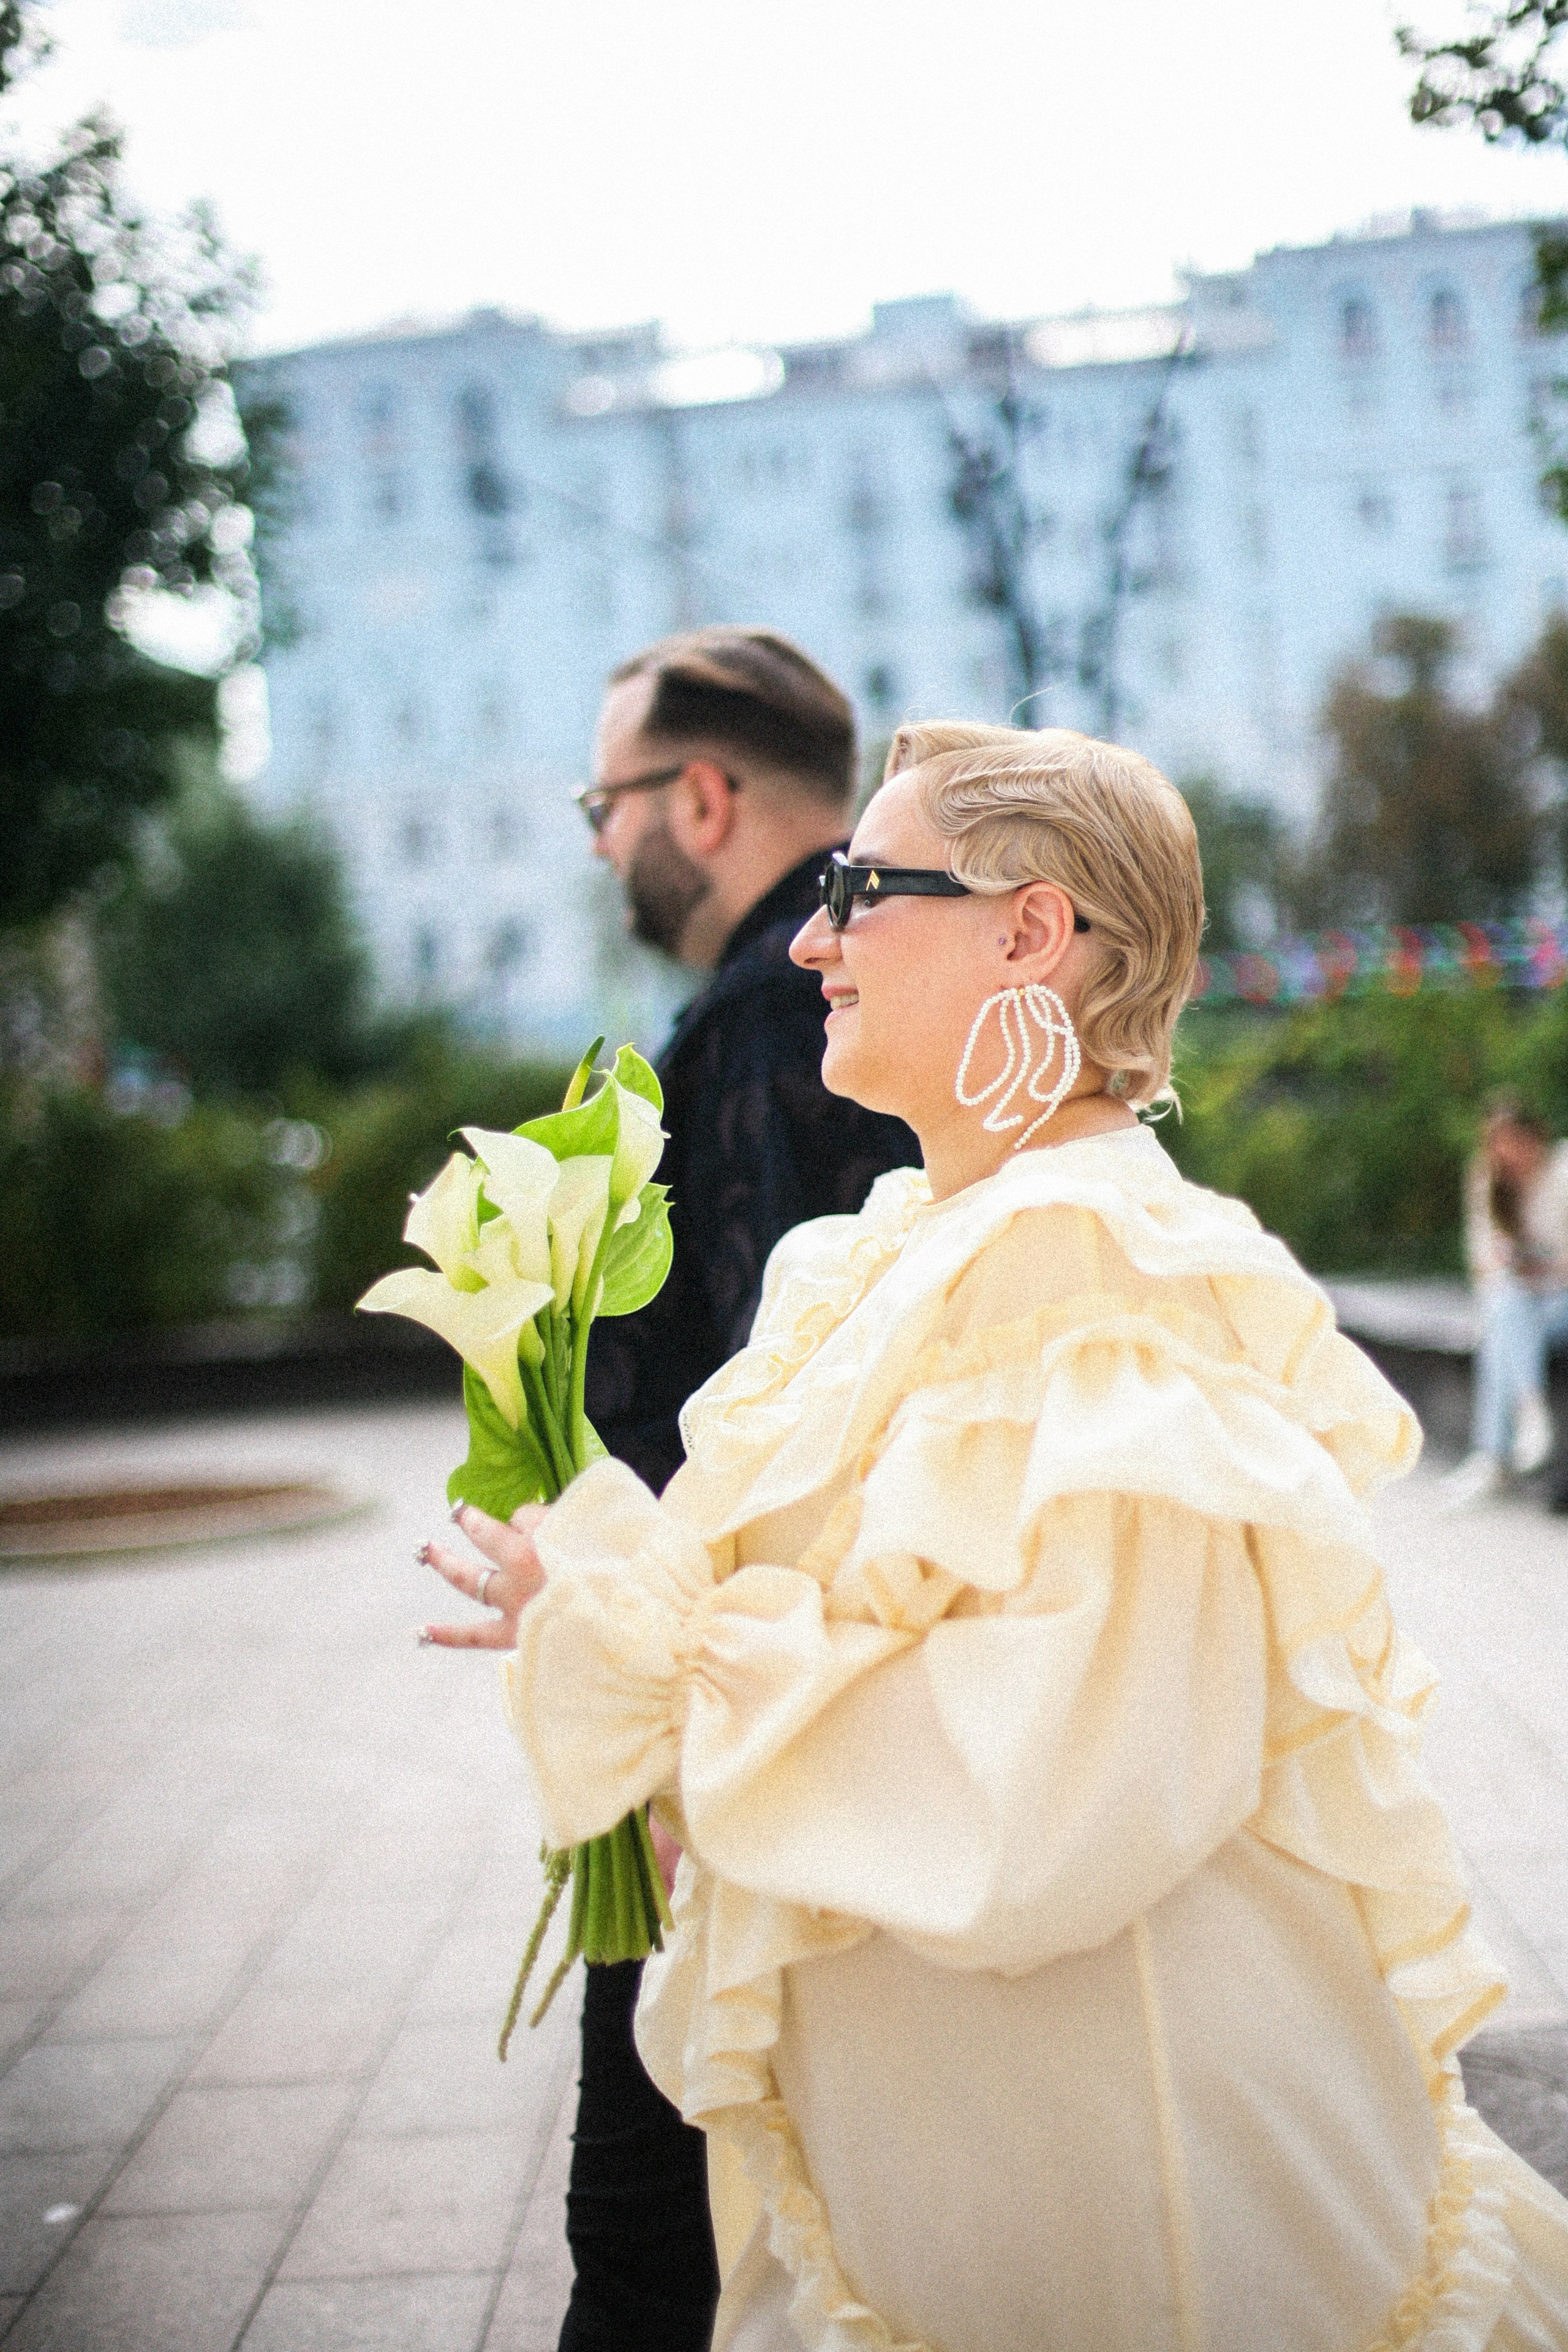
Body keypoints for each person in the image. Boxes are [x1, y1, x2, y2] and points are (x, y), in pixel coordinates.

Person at [428, 722, 1568, 2351]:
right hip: (963, 2157)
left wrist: (661, 1674)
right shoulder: (904, 1247)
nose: (811, 941)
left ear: (1031, 932)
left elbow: (1053, 1790)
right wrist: (614, 1631)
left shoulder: (1094, 1276)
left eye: (857, 891)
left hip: (1134, 2185)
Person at [429, 627, 914, 2352]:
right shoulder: (829, 999)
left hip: (718, 1716)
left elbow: (783, 1421)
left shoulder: (781, 1019)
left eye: (604, 802)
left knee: (642, 2242)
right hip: (741, 1699)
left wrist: (640, 1655)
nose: (598, 839)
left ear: (699, 798)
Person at [1443, 1099, 1568, 1510]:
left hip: (1562, 1300)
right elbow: (1481, 1262)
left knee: (1504, 1322)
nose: (1509, 1156)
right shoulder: (1487, 1180)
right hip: (1520, 1303)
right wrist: (1511, 1266)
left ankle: (1494, 1456)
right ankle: (1529, 1412)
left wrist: (1546, 1268)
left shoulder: (1563, 1171)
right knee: (1505, 1309)